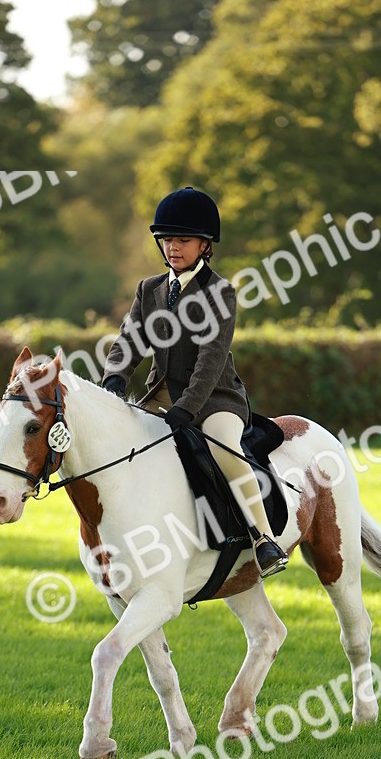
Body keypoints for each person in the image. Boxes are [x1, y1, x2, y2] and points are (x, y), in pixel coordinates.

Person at [101, 186, 288, 577]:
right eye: (167, 240)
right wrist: (115, 379)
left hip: (215, 398)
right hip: (162, 392)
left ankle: (263, 538)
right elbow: (130, 339)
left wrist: (188, 407)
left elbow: (211, 358)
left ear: (205, 245)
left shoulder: (220, 292)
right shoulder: (149, 289)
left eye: (182, 240)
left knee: (225, 450)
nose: (173, 248)